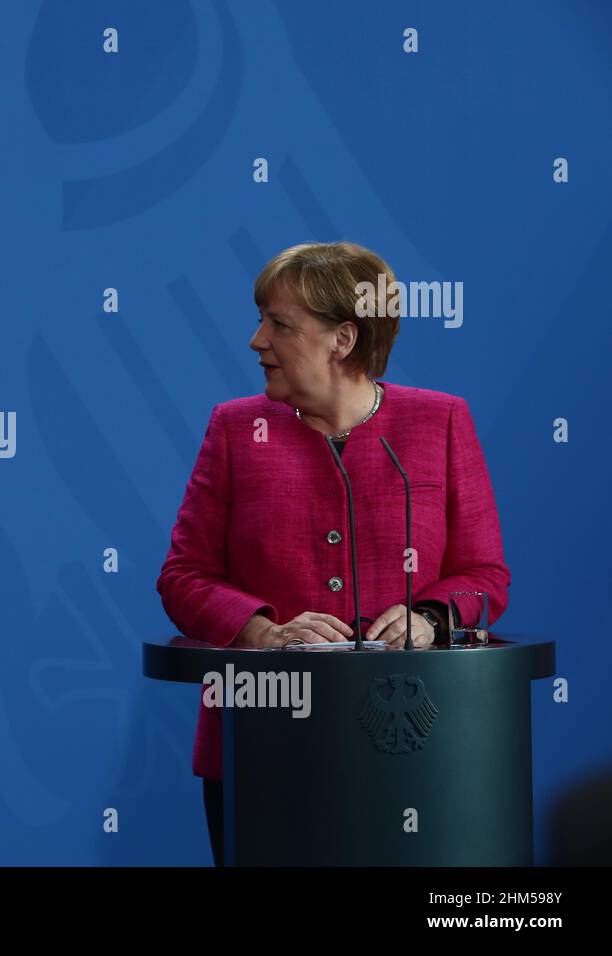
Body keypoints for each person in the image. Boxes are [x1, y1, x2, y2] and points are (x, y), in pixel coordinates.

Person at [155, 241, 509, 865]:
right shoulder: (237, 429)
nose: (256, 340)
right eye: (261, 318)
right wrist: (263, 633)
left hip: (414, 742)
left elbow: (485, 576)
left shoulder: (441, 421)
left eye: (280, 325)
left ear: (343, 339)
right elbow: (184, 577)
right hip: (263, 743)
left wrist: (429, 619)